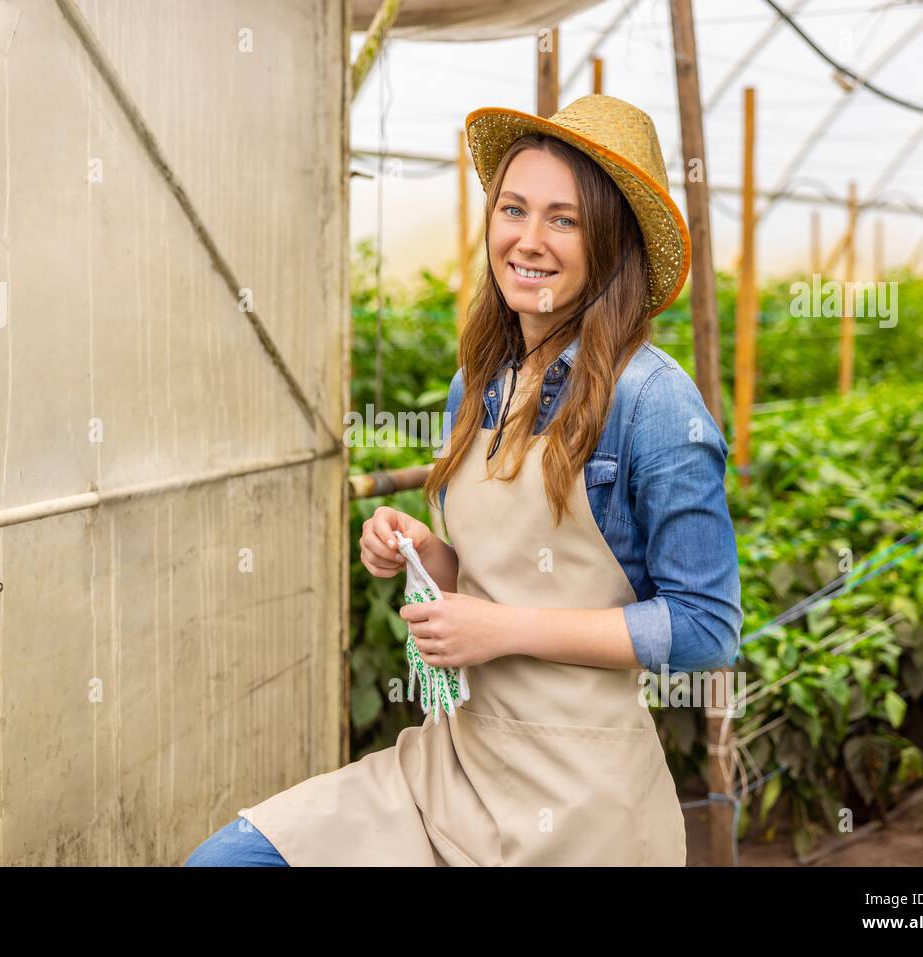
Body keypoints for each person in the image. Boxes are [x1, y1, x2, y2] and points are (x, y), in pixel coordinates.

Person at [184, 93, 741, 867]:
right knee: (228, 861)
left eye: (564, 219)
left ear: (612, 243)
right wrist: (424, 552)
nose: (529, 239)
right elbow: (488, 570)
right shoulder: (479, 382)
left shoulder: (652, 402)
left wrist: (502, 628)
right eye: (514, 208)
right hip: (455, 766)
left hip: (583, 802)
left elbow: (707, 627)